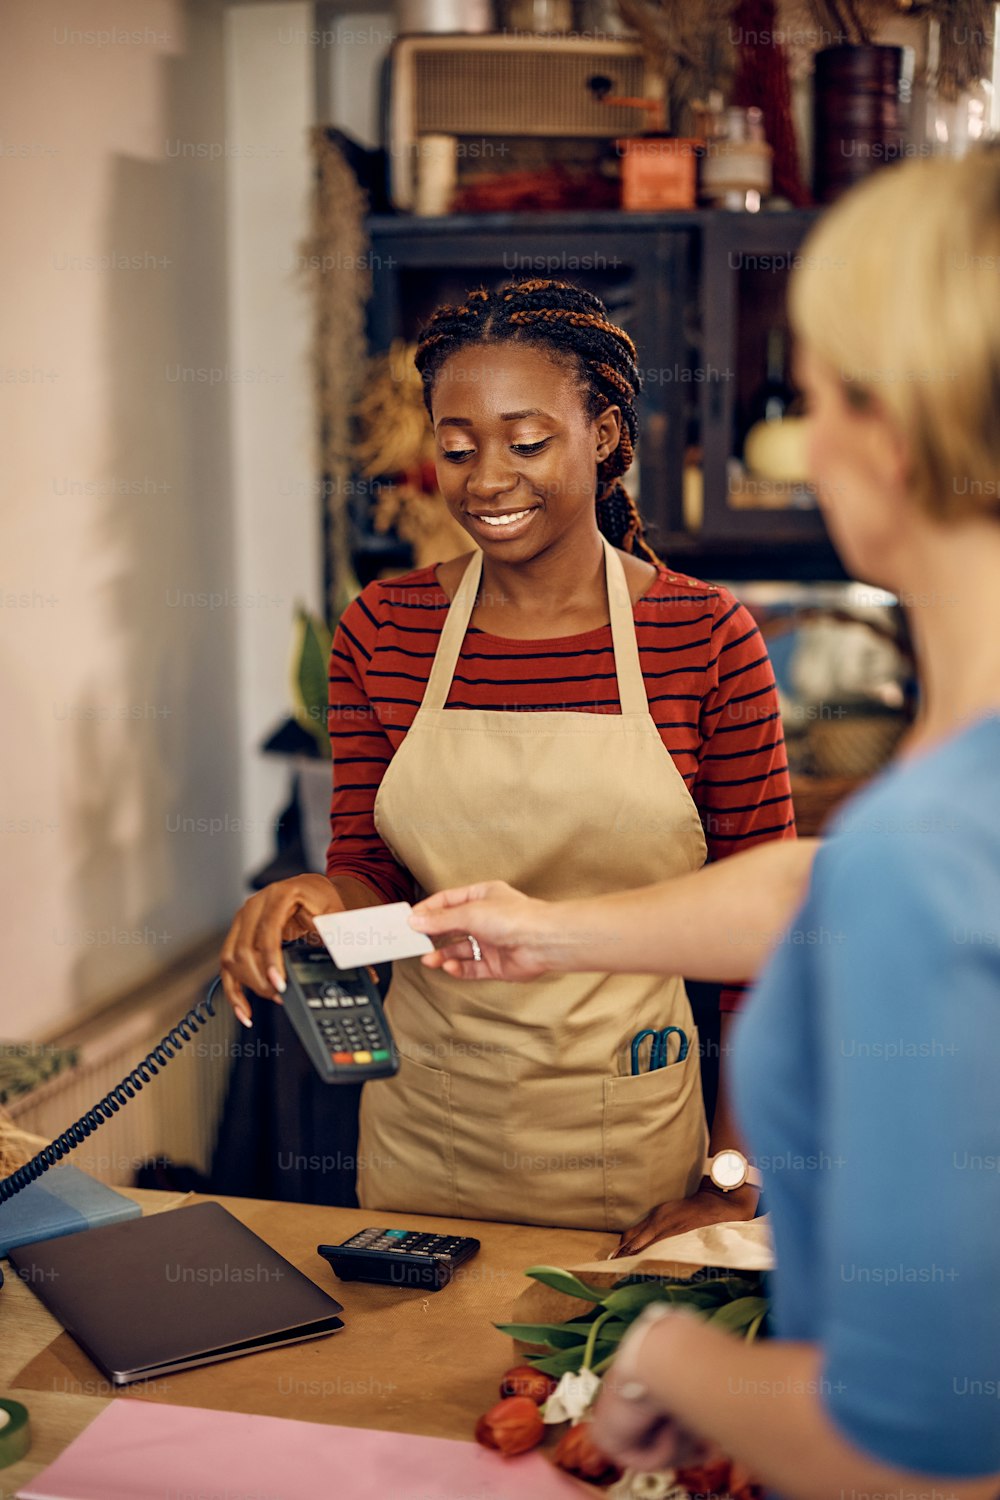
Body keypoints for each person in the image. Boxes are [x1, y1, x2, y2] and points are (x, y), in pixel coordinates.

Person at [409, 153, 1000, 1497]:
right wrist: (549, 933)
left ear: (888, 437)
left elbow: (923, 1452)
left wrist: (671, 1365)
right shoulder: (947, 812)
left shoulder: (927, 845)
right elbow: (828, 883)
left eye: (813, 386)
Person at [219, 278, 795, 1241]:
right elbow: (375, 877)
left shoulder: (703, 636)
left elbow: (765, 941)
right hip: (424, 1131)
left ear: (605, 434)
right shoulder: (386, 629)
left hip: (630, 1142)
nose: (485, 481)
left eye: (528, 443)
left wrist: (731, 1180)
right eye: (456, 447)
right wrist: (315, 901)